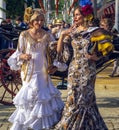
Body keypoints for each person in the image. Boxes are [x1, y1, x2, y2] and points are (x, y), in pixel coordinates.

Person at [55, 4, 114, 130]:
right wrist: (62, 35)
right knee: (72, 98)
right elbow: (60, 52)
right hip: (73, 70)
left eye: (77, 15)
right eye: (74, 15)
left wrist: (97, 57)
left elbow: (108, 46)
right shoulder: (72, 32)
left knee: (84, 100)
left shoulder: (93, 31)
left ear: (85, 15)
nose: (75, 18)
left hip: (88, 70)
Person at [7, 7, 64, 130]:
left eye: (42, 20)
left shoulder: (47, 35)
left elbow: (54, 52)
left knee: (42, 97)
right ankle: (27, 124)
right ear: (31, 21)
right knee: (29, 96)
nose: (39, 23)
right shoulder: (24, 34)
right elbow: (18, 52)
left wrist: (55, 64)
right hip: (28, 71)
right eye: (37, 20)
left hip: (43, 70)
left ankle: (41, 125)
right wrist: (23, 56)